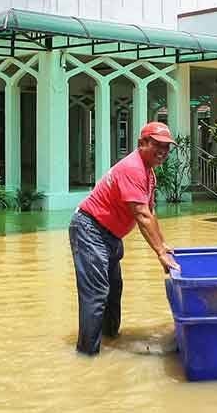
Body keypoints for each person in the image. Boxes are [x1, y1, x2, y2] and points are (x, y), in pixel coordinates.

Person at [68, 122, 181, 355]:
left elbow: (149, 213)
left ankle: (110, 341)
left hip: (110, 235)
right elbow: (140, 214)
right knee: (97, 293)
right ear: (142, 144)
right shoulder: (133, 169)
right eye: (157, 145)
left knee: (113, 290)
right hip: (90, 229)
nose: (162, 151)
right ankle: (87, 355)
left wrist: (163, 243)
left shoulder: (148, 173)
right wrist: (159, 252)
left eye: (166, 148)